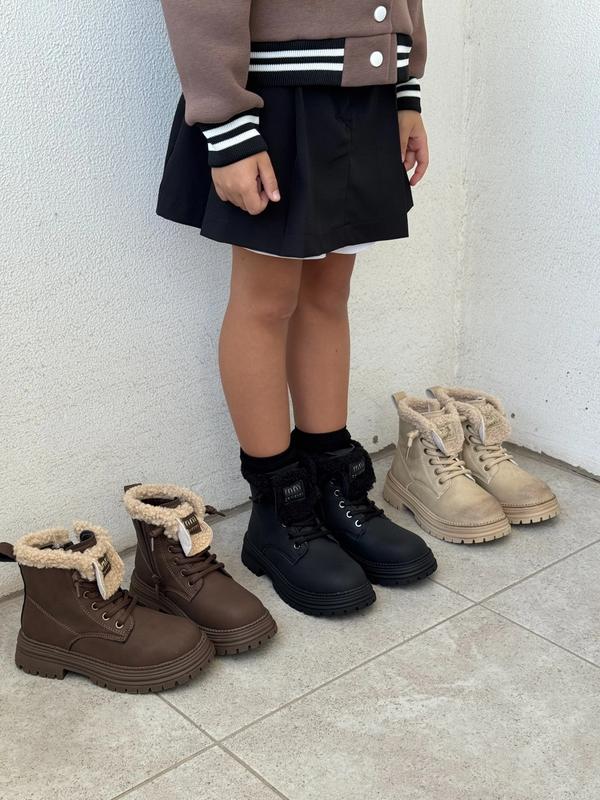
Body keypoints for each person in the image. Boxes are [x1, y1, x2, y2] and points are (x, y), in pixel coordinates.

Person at [156, 1, 438, 616]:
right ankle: (278, 511)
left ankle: (333, 489)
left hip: (366, 88)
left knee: (327, 296)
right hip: (273, 94)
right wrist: (226, 122)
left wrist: (404, 87)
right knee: (266, 303)